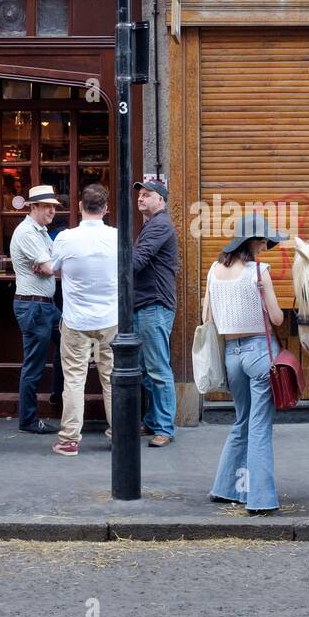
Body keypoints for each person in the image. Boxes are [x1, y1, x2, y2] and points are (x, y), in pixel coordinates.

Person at [205, 214, 287, 515]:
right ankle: (261, 498)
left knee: (241, 420)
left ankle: (226, 487)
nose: (266, 244)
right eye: (264, 239)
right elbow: (277, 318)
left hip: (231, 354)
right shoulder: (258, 272)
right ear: (251, 242)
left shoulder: (214, 270)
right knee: (260, 425)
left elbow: (209, 318)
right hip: (259, 352)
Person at [46, 183, 117, 457]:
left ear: (79, 207)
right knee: (111, 379)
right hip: (110, 319)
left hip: (76, 320)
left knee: (74, 379)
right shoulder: (117, 237)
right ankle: (118, 434)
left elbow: (52, 267)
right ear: (106, 209)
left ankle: (69, 439)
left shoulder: (65, 238)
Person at [9, 184, 62, 434]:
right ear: (33, 207)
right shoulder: (28, 233)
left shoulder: (41, 231)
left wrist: (50, 263)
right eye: (47, 206)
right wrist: (49, 264)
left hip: (45, 305)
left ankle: (57, 394)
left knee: (70, 344)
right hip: (34, 306)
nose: (52, 210)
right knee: (33, 365)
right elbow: (51, 267)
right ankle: (28, 420)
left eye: (53, 206)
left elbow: (53, 263)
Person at [132, 179, 180, 447]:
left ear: (160, 201)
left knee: (158, 369)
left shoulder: (159, 225)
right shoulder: (150, 225)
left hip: (155, 304)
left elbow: (138, 261)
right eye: (140, 194)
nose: (141, 198)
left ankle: (164, 427)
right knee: (146, 369)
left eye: (147, 195)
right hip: (145, 304)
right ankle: (152, 421)